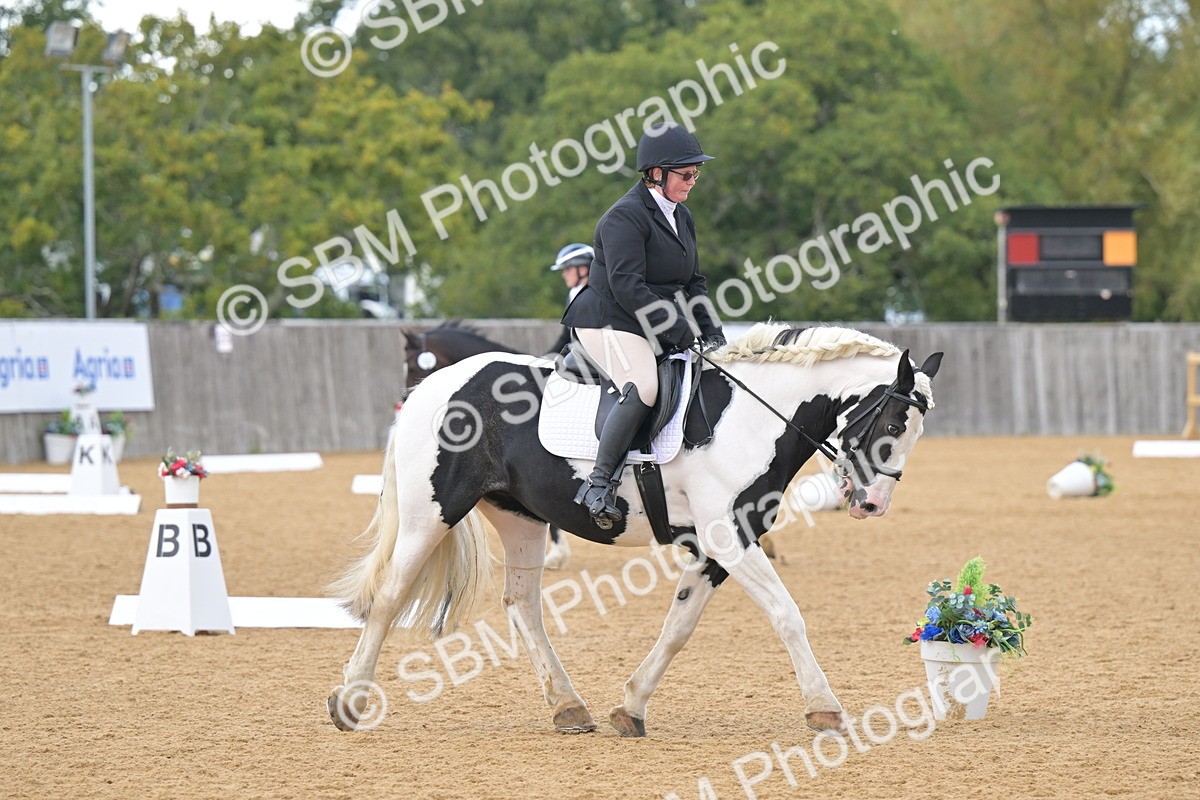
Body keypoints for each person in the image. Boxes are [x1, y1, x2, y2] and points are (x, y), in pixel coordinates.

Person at [561, 122, 726, 524]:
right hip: (608, 320)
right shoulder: (624, 217)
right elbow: (627, 286)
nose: (692, 181)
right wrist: (680, 331)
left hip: (647, 320)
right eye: (685, 174)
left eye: (695, 174)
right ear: (656, 173)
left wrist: (712, 332)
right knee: (645, 386)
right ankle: (599, 484)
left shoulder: (681, 217)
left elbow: (694, 282)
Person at [546, 243, 593, 355]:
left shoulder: (593, 297)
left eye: (567, 269)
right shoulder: (573, 295)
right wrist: (545, 358)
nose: (563, 275)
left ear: (582, 270)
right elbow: (566, 335)